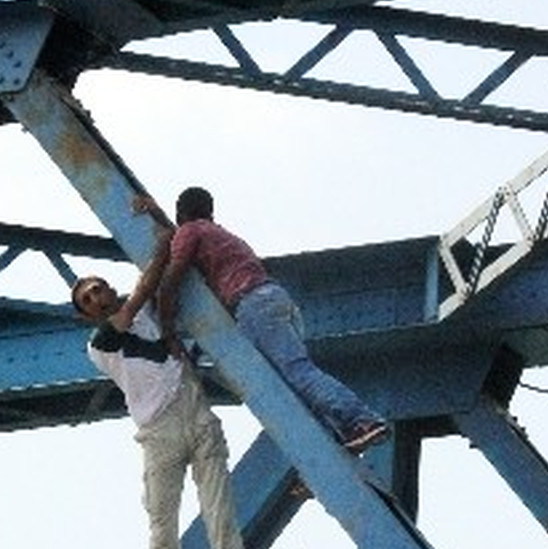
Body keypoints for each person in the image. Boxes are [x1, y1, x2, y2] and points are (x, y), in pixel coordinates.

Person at [72, 263, 247, 549]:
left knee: (220, 508)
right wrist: (159, 251)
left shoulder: (153, 308)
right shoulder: (101, 343)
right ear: (86, 315)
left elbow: (167, 268)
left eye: (98, 288)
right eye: (88, 298)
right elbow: (145, 287)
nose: (97, 296)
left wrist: (157, 226)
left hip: (193, 407)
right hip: (158, 432)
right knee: (161, 528)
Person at [127, 187, 389, 454]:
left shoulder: (191, 231)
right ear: (210, 211)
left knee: (295, 374)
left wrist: (167, 325)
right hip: (273, 300)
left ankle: (361, 420)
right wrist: (157, 214)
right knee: (291, 382)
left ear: (181, 213)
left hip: (252, 305)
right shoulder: (215, 233)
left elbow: (174, 273)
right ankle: (340, 436)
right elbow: (178, 237)